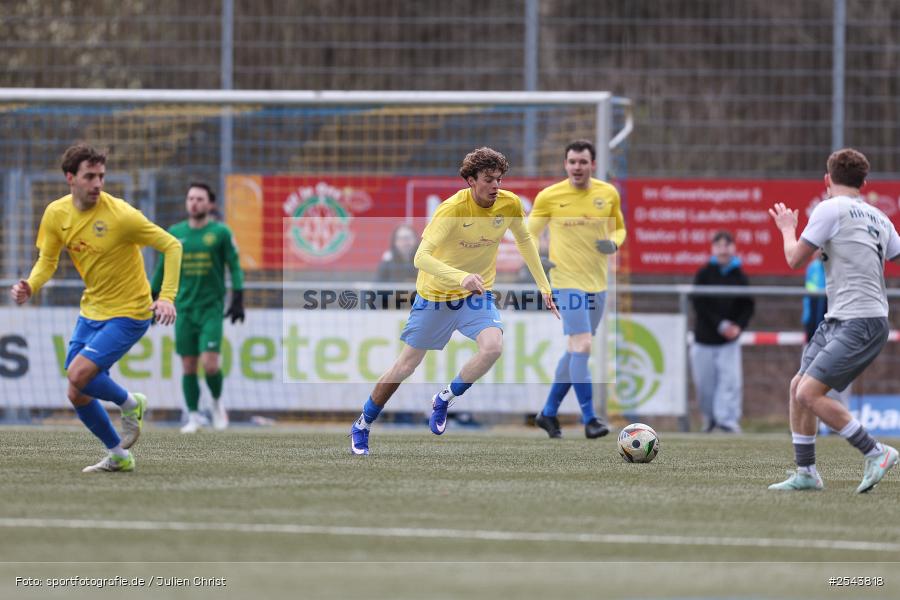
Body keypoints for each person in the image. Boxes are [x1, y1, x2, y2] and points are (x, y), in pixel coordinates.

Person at [348, 147, 559, 455]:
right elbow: (420, 258)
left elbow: (525, 240)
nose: (496, 186)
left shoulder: (509, 204)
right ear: (471, 180)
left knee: (493, 347)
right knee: (405, 366)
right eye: (488, 180)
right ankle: (363, 424)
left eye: (499, 179)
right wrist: (461, 277)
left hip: (475, 296)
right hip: (436, 296)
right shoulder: (451, 210)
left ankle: (445, 398)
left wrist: (544, 285)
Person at [9, 144, 181, 472]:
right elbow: (47, 261)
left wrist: (167, 297)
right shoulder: (56, 214)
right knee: (76, 392)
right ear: (70, 178)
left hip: (130, 311)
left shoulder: (122, 216)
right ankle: (118, 454)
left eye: (101, 176)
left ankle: (131, 403)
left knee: (78, 373)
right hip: (93, 308)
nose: (98, 184)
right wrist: (31, 284)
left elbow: (172, 246)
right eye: (90, 176)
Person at [768, 148, 899, 493]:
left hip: (860, 320)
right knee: (798, 388)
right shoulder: (879, 217)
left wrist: (787, 228)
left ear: (827, 180)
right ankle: (806, 472)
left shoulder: (829, 208)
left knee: (810, 392)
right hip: (843, 317)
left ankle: (876, 452)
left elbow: (795, 259)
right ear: (864, 182)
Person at [528, 140, 626, 439]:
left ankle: (547, 413)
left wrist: (615, 243)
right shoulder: (550, 196)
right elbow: (528, 233)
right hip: (566, 283)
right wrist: (539, 260)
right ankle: (590, 419)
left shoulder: (607, 193)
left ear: (593, 164)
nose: (577, 167)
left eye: (583, 162)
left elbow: (619, 227)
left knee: (574, 351)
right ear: (565, 164)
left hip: (597, 284)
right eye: (572, 161)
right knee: (582, 346)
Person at [151, 182, 244, 433]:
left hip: (211, 309)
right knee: (188, 365)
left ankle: (215, 403)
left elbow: (234, 265)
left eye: (200, 199)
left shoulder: (221, 233)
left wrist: (238, 294)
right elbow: (162, 267)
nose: (194, 203)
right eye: (190, 198)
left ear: (210, 203)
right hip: (184, 309)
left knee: (211, 364)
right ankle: (193, 415)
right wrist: (153, 294)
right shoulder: (175, 232)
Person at [689, 230, 754, 433]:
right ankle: (710, 420)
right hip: (704, 340)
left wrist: (737, 327)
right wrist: (720, 325)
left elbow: (748, 306)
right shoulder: (704, 274)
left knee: (730, 383)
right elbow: (699, 303)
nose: (723, 249)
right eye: (719, 245)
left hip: (729, 343)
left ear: (733, 248)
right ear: (713, 248)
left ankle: (727, 421)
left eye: (727, 245)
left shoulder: (740, 276)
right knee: (705, 386)